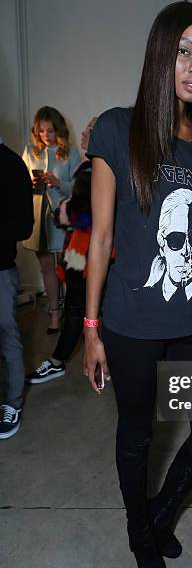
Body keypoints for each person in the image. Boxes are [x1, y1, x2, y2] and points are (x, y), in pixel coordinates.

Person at [83, 2, 192, 568]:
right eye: (185, 52)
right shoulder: (118, 128)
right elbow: (101, 239)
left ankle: (160, 513)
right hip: (132, 320)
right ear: (160, 54)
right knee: (137, 436)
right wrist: (90, 329)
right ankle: (139, 532)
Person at [26, 118, 98, 384]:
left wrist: (64, 211)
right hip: (86, 251)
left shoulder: (93, 169)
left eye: (89, 130)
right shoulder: (93, 166)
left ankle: (57, 361)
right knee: (88, 307)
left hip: (84, 252)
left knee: (76, 307)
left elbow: (85, 216)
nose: (83, 133)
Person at [22, 106, 80, 333]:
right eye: (42, 131)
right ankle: (55, 315)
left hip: (63, 217)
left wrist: (58, 183)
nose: (46, 135)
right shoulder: (30, 151)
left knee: (67, 267)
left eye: (51, 131)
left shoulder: (71, 152)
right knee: (46, 266)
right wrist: (32, 184)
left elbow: (79, 186)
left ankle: (71, 312)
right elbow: (19, 183)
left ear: (59, 130)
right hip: (39, 218)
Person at [0, 136, 34, 439]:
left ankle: (11, 404)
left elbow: (25, 226)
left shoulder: (11, 165)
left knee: (8, 337)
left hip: (0, 270)